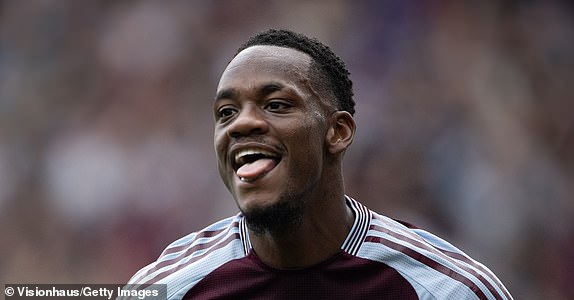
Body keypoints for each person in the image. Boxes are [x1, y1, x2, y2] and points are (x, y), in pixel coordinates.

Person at [127, 29, 513, 299]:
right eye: (226, 113)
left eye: (276, 104)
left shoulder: (446, 289)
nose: (242, 123)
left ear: (338, 132)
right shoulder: (166, 288)